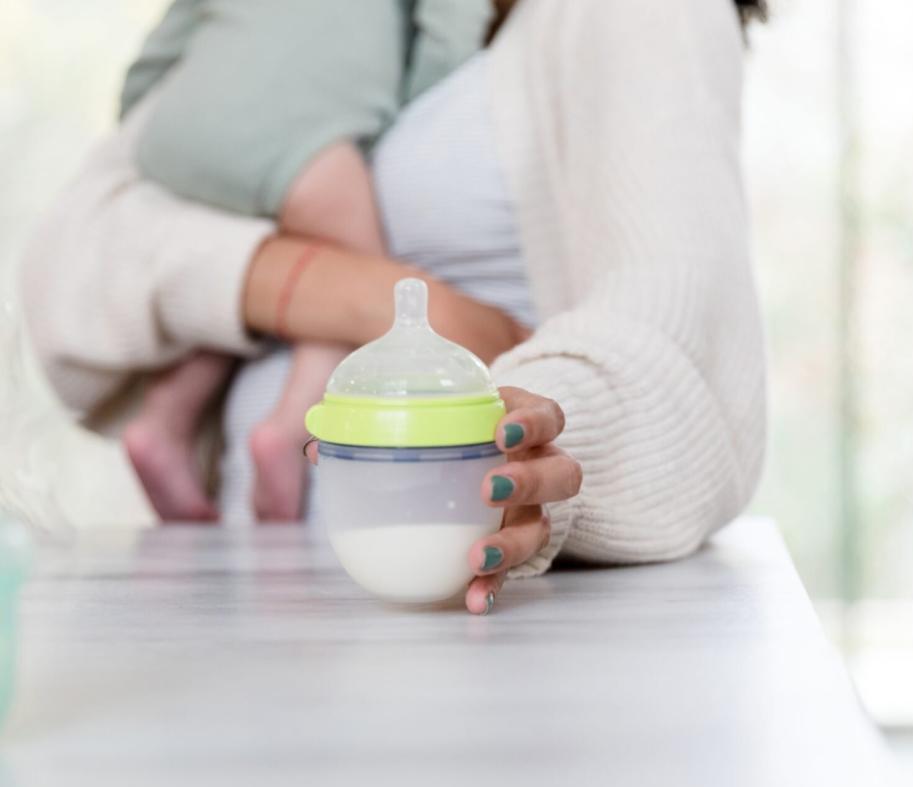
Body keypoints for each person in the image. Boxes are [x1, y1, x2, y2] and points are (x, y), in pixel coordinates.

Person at [20, 0, 768, 615]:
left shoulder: (644, 15)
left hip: (473, 625)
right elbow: (69, 266)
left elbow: (682, 340)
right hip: (261, 607)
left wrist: (527, 435)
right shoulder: (329, 25)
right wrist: (387, 303)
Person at [117, 0, 493, 523]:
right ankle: (288, 432)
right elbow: (450, 29)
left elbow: (160, 52)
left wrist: (146, 130)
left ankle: (162, 424)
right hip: (305, 134)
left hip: (176, 130)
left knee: (241, 274)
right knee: (352, 281)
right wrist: (404, 118)